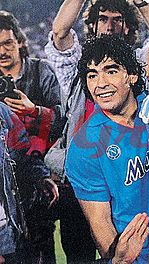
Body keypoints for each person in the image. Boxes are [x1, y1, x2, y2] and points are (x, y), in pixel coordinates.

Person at [64, 35, 149, 263]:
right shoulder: (85, 146)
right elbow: (101, 225)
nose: (100, 83)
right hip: (138, 256)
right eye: (92, 75)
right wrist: (119, 259)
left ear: (132, 75)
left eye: (110, 71)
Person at [0, 10, 62, 263]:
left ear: (21, 42)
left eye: (7, 43)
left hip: (44, 176)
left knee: (43, 248)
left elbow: (65, 122)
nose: (2, 51)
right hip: (7, 184)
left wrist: (34, 112)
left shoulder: (41, 72)